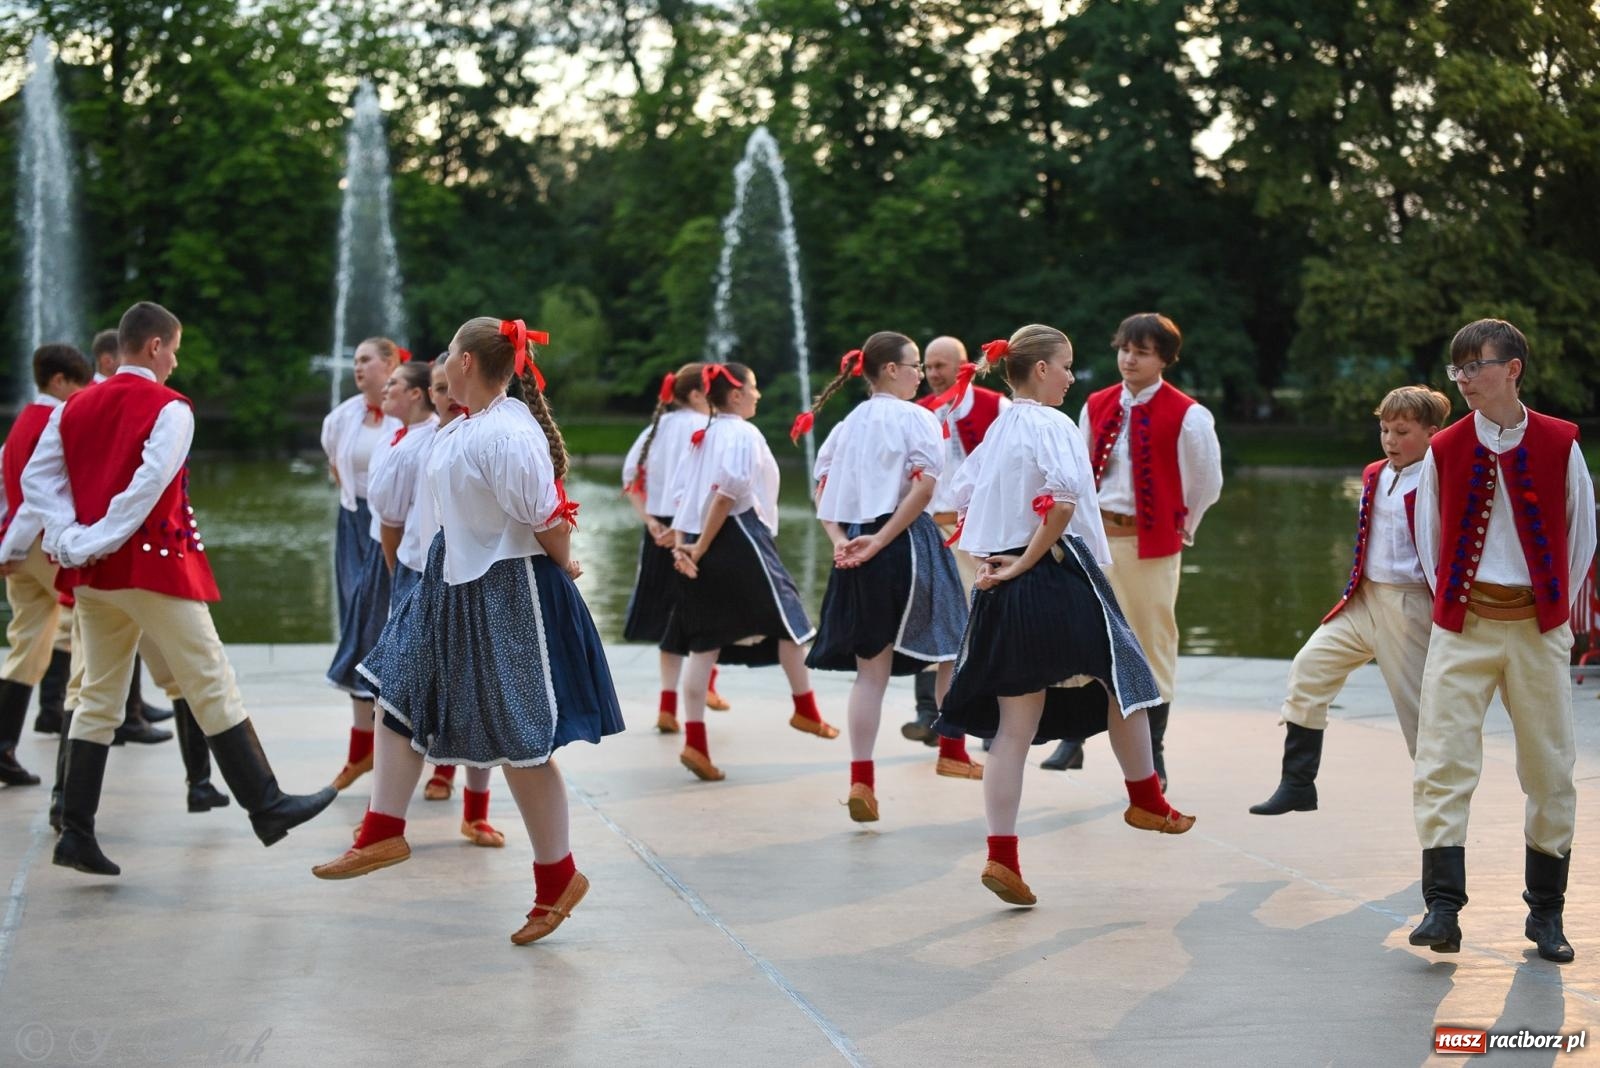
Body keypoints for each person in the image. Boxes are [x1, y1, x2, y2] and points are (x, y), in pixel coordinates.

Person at [313, 317, 623, 947]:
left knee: (520, 743)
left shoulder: (508, 432)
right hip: (448, 586)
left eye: (449, 354)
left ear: (467, 363)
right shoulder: (468, 427)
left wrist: (564, 563)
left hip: (506, 593)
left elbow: (544, 514)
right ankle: (381, 830)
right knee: (395, 691)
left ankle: (556, 878)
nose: (441, 364)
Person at [23, 301, 335, 876]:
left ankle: (76, 830)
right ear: (155, 347)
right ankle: (266, 805)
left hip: (96, 577)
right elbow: (148, 486)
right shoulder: (171, 409)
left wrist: (72, 537)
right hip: (151, 568)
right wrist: (95, 538)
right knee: (210, 678)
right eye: (174, 351)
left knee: (98, 695)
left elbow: (34, 479)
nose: (175, 363)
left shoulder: (73, 407)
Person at [934, 324, 1195, 908]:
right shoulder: (1053, 423)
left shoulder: (999, 426)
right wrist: (1025, 560)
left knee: (1013, 730)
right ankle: (1146, 797)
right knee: (1126, 678)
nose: (1074, 377)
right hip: (1053, 574)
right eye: (1068, 365)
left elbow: (962, 497)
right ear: (1044, 370)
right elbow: (1064, 497)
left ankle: (1003, 856)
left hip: (1002, 585)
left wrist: (989, 564)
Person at [1408, 319, 1594, 964]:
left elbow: (1582, 536)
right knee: (1442, 761)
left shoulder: (1560, 442)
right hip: (1465, 626)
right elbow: (1429, 542)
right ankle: (1442, 909)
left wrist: (1550, 611)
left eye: (1474, 366)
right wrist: (1457, 608)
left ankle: (1546, 914)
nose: (1462, 380)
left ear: (1512, 368)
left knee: (1549, 768)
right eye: (1455, 369)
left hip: (1537, 628)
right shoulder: (1445, 448)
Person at [796, 334, 975, 823]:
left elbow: (822, 489)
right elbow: (925, 485)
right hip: (905, 543)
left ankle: (862, 780)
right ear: (891, 370)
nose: (921, 374)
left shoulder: (846, 425)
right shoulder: (918, 417)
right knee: (952, 644)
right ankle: (952, 750)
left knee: (869, 674)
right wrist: (881, 538)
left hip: (855, 545)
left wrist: (841, 538)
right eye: (914, 366)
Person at [1251, 386, 1449, 815]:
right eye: (1384, 429)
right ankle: (1298, 783)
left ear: (1433, 433)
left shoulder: (1443, 478)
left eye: (1402, 431)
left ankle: (1442, 828)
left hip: (1411, 607)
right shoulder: (1375, 473)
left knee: (1421, 722)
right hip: (1364, 599)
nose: (1390, 440)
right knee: (1309, 670)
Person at [1043, 313, 1222, 785]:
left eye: (1141, 352)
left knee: (1151, 642)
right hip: (1094, 540)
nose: (1129, 359)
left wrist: (1184, 526)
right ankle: (1073, 739)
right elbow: (1076, 475)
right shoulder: (1096, 403)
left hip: (1150, 545)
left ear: (1164, 358)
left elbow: (1206, 481)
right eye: (1124, 349)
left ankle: (1154, 754)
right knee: (1081, 634)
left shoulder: (1188, 414)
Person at [663, 362, 837, 782]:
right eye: (754, 388)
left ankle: (696, 743)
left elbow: (684, 495)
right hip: (737, 538)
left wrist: (684, 545)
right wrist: (700, 547)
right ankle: (805, 709)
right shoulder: (742, 433)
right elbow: (728, 493)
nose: (759, 396)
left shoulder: (702, 436)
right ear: (736, 395)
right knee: (792, 624)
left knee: (704, 643)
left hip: (700, 539)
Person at [901, 336, 1009, 746]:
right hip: (929, 528)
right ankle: (929, 715)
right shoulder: (917, 413)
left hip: (978, 532)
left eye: (941, 365)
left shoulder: (996, 406)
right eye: (927, 367)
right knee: (929, 620)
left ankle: (985, 715)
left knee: (982, 621)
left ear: (964, 364)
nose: (933, 374)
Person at [0, 343, 94, 786]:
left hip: (20, 551)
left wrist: (5, 547)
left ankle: (3, 747)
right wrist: (11, 548)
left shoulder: (21, 422)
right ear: (59, 381)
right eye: (78, 385)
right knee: (88, 638)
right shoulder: (53, 421)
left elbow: (6, 483)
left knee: (27, 646)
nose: (81, 394)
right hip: (40, 547)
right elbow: (39, 499)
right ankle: (71, 777)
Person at [620, 363, 730, 731]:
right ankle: (707, 688)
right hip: (696, 530)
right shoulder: (708, 429)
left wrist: (652, 522)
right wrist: (680, 529)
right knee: (707, 614)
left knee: (669, 620)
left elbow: (630, 477)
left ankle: (667, 706)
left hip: (658, 529)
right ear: (698, 394)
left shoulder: (656, 427)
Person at [321, 338, 403, 790]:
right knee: (357, 617)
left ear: (390, 364)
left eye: (366, 360)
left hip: (394, 523)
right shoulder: (344, 415)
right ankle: (363, 750)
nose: (358, 368)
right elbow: (336, 464)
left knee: (391, 626)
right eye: (354, 361)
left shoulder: (409, 408)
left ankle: (430, 758)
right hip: (354, 523)